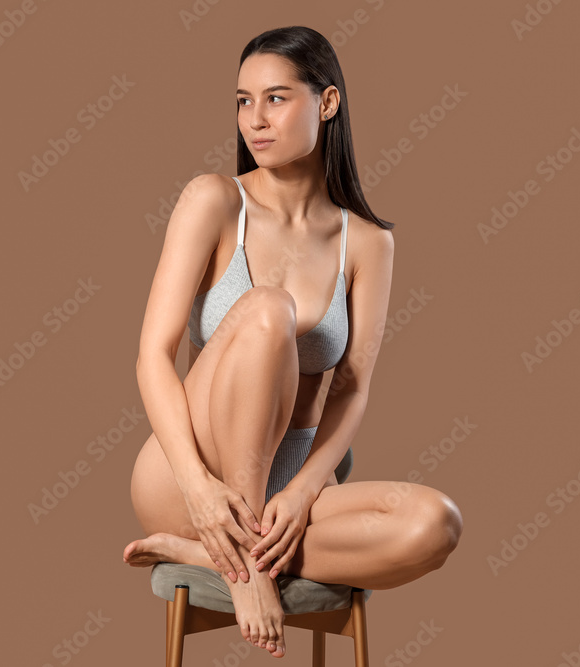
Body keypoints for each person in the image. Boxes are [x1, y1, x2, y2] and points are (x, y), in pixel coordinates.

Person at [122, 26, 463, 659]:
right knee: (267, 308)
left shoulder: (368, 244)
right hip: (188, 474)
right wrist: (198, 488)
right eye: (243, 101)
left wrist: (307, 491)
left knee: (435, 523)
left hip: (292, 486)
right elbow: (152, 356)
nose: (255, 119)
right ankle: (244, 570)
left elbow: (354, 385)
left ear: (327, 102)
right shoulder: (214, 201)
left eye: (276, 98)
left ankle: (212, 556)